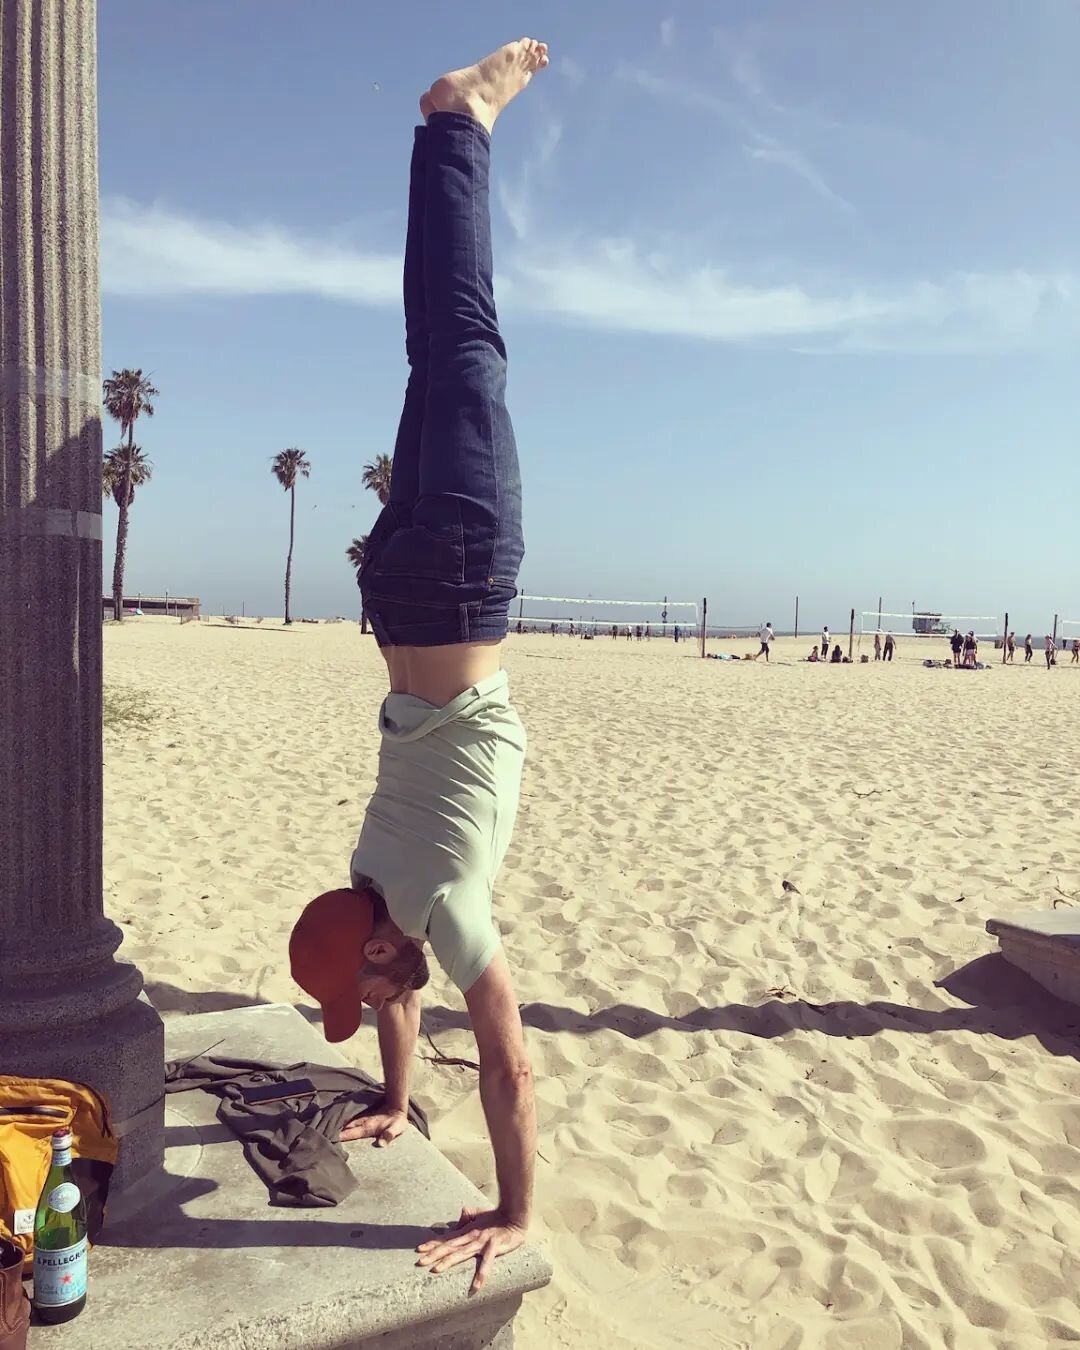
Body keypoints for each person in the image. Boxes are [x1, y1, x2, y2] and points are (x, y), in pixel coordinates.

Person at [288, 39, 549, 1294]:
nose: (384, 998)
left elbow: (508, 1063)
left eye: (366, 985)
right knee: (433, 356)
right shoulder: (369, 877)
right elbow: (399, 997)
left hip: (452, 579)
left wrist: (511, 1210)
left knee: (468, 345)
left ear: (378, 946)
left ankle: (460, 127)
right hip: (393, 597)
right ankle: (438, 136)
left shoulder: (436, 901)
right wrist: (395, 1104)